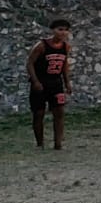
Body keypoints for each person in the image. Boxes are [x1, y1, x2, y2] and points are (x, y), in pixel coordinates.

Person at [26, 18, 75, 150]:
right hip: (41, 83)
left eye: (65, 30)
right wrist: (35, 81)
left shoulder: (66, 47)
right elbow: (30, 63)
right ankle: (40, 143)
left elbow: (64, 65)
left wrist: (67, 83)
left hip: (56, 83)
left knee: (59, 112)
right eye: (60, 29)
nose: (63, 33)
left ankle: (58, 143)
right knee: (39, 114)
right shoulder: (41, 46)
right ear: (53, 30)